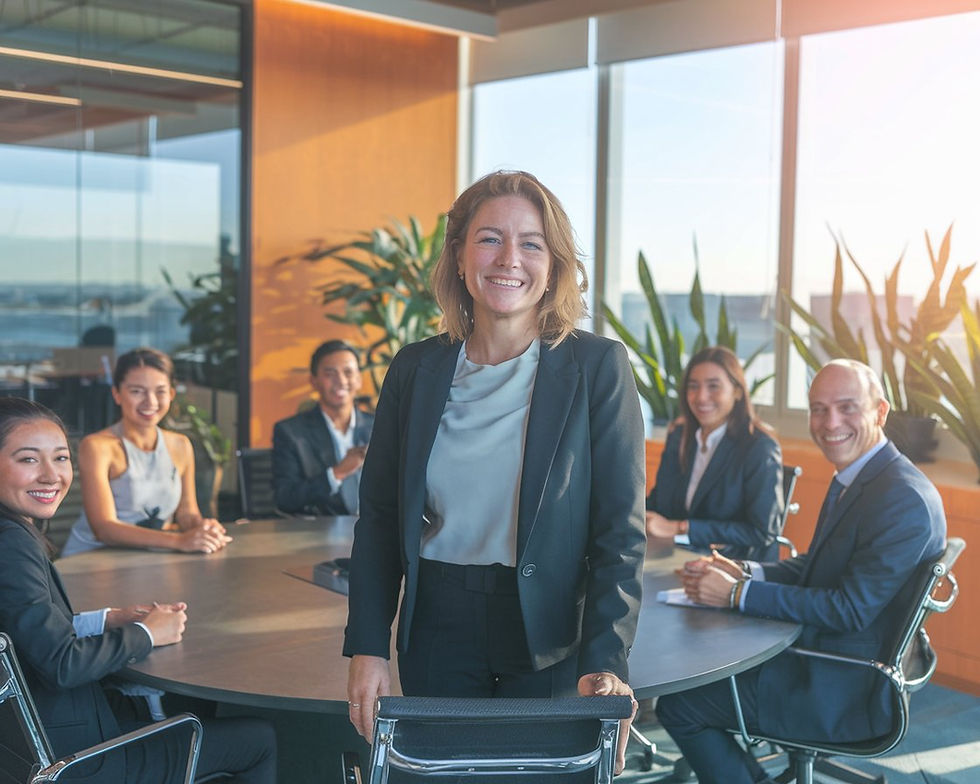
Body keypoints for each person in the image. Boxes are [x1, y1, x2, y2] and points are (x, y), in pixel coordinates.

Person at [342, 170, 646, 772]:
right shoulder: (415, 369)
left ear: (553, 265)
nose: (510, 259)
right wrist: (368, 648)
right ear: (458, 257)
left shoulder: (597, 367)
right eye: (489, 239)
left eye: (531, 243)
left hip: (551, 633)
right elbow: (378, 519)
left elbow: (620, 532)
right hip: (438, 624)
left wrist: (606, 661)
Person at [655, 359, 947, 784]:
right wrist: (745, 571)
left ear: (880, 412)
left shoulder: (901, 500)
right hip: (832, 656)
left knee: (680, 704)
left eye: (848, 408)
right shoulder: (866, 475)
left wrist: (736, 595)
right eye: (818, 409)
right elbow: (819, 566)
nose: (830, 423)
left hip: (844, 682)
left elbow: (849, 609)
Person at [0, 397, 276, 783]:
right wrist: (147, 634)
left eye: (60, 458)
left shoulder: (15, 532)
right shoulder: (12, 543)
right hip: (80, 757)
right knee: (258, 739)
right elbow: (61, 664)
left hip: (30, 743)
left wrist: (111, 619)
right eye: (28, 459)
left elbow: (30, 631)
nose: (51, 475)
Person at [61, 348, 231, 557]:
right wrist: (179, 540)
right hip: (91, 561)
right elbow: (104, 529)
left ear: (171, 394)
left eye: (160, 391)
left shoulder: (181, 445)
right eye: (137, 391)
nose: (150, 401)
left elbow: (187, 513)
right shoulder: (98, 446)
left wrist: (202, 527)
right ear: (117, 394)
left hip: (150, 558)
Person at [645, 346, 783, 560]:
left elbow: (762, 532)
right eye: (693, 386)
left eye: (714, 386)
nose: (701, 397)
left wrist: (681, 528)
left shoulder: (759, 447)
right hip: (676, 557)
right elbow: (658, 503)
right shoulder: (679, 436)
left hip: (730, 567)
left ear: (737, 391)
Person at [272, 340, 374, 516]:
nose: (341, 381)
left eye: (348, 372)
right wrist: (337, 473)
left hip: (375, 531)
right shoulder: (290, 432)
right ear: (314, 381)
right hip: (319, 533)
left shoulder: (380, 427)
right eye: (330, 373)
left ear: (358, 380)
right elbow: (285, 497)